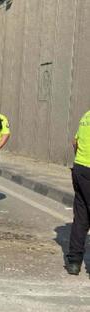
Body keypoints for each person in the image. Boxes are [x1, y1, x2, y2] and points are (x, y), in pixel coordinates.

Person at [65, 109, 90, 276]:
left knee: (81, 217)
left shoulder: (86, 115)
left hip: (80, 168)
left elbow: (75, 142)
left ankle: (74, 262)